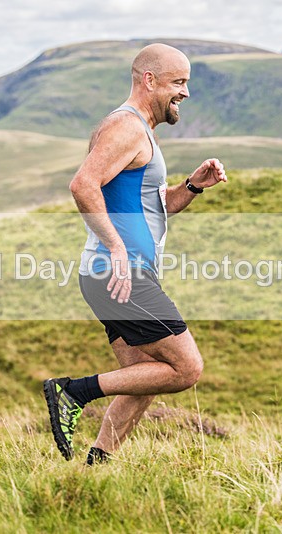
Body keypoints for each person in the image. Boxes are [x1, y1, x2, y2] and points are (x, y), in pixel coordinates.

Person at [43, 43, 227, 464]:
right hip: (120, 272)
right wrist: (117, 247)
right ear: (150, 80)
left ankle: (97, 465)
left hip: (113, 274)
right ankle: (73, 391)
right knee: (185, 369)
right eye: (179, 82)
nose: (185, 92)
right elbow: (82, 184)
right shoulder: (126, 127)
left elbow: (152, 205)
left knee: (143, 380)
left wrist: (193, 187)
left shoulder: (138, 131)